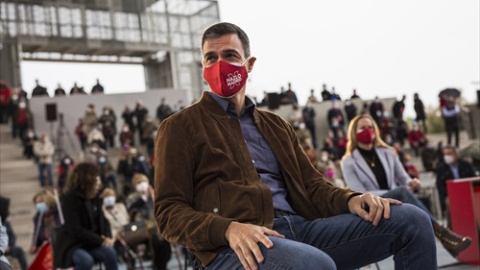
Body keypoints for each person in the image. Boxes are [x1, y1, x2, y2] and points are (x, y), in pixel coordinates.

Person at [154, 22, 439, 270]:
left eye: (229, 55)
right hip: (235, 249)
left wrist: (351, 199)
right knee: (314, 264)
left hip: (301, 231)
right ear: (203, 66)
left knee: (412, 220)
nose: (220, 65)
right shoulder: (179, 127)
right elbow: (168, 212)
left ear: (249, 64)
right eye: (210, 58)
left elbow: (313, 186)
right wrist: (227, 229)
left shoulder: (277, 126)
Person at [341, 114, 472, 258]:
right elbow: (358, 192)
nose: (368, 130)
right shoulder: (348, 161)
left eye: (371, 127)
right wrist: (396, 191)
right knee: (401, 193)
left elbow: (403, 178)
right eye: (363, 128)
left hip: (395, 200)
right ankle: (444, 235)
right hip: (372, 204)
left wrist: (412, 182)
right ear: (354, 133)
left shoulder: (388, 153)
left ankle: (445, 238)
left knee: (405, 195)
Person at [54, 162, 118, 270]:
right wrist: (100, 240)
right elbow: (75, 229)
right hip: (74, 245)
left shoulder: (95, 197)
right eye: (96, 178)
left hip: (93, 242)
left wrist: (107, 237)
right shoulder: (69, 199)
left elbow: (103, 220)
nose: (99, 182)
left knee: (110, 253)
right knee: (85, 261)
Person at [127, 174, 171, 270]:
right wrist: (144, 198)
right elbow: (132, 209)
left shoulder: (154, 195)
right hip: (142, 229)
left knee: (165, 243)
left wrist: (153, 197)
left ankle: (161, 266)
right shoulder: (133, 197)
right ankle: (159, 267)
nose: (142, 184)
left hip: (157, 228)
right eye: (139, 182)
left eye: (144, 181)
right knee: (156, 242)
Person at [436, 145, 476, 213]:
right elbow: (440, 185)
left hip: (467, 193)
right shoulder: (441, 168)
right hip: (450, 195)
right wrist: (451, 193)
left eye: (449, 154)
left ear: (456, 154)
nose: (446, 157)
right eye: (445, 154)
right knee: (449, 203)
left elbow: (473, 179)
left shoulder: (466, 165)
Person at [30, 190, 61, 254]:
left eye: (41, 202)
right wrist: (34, 245)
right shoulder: (38, 218)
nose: (38, 205)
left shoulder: (59, 214)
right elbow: (37, 235)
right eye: (36, 203)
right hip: (49, 250)